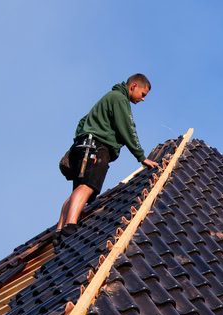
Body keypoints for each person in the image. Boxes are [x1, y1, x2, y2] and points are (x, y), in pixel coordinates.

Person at [55, 73, 159, 246]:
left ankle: (59, 232)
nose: (143, 99)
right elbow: (128, 128)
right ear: (133, 86)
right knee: (88, 186)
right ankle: (70, 228)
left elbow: (82, 122)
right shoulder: (119, 99)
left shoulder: (109, 97)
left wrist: (80, 141)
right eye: (143, 94)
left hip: (84, 146)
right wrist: (141, 157)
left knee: (80, 189)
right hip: (97, 147)